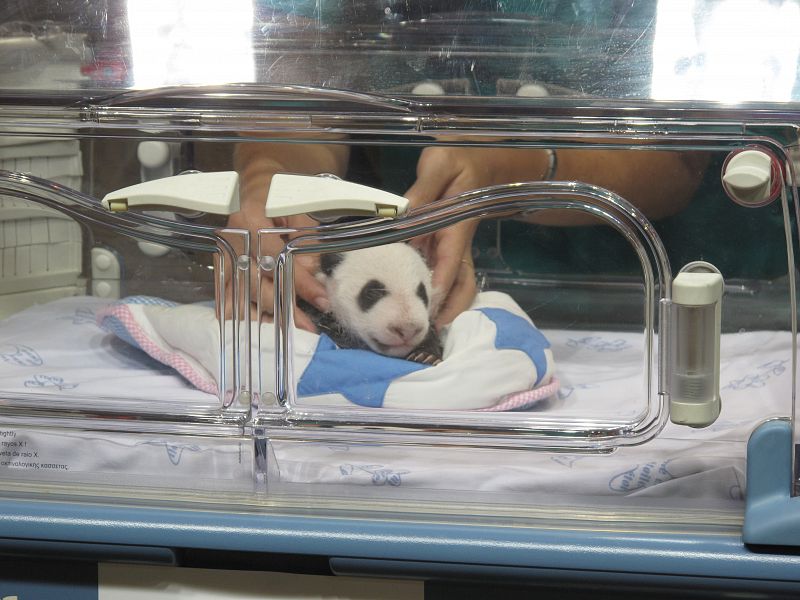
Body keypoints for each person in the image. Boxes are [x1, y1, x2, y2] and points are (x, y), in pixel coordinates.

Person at [228, 141, 709, 330]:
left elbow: (681, 164)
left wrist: (507, 167)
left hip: (640, 308)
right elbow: (291, 80)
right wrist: (268, 180)